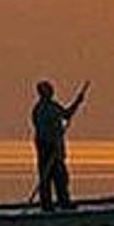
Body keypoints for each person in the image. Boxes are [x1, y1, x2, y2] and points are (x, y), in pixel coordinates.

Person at [31, 80, 88, 211]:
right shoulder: (40, 110)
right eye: (48, 90)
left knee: (61, 178)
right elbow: (41, 132)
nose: (51, 92)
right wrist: (50, 146)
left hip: (55, 150)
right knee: (47, 178)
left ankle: (64, 202)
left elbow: (66, 115)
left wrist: (77, 102)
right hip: (47, 149)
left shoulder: (53, 106)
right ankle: (47, 206)